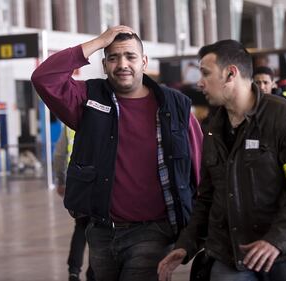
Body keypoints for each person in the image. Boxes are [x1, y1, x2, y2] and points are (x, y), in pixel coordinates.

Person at [31, 25, 203, 281]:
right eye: (113, 57)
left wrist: (195, 234)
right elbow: (44, 78)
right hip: (101, 231)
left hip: (154, 231)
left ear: (144, 62)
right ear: (104, 64)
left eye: (130, 56)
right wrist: (98, 41)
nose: (122, 64)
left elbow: (198, 170)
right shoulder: (88, 99)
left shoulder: (174, 106)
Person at [158, 40, 286, 281]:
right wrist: (186, 244)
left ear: (231, 73)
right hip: (230, 254)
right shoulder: (213, 129)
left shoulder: (282, 115)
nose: (199, 82)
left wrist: (275, 240)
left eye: (205, 73)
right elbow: (207, 198)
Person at [54, 127, 95, 281]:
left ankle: (73, 271)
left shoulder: (68, 124)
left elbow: (59, 155)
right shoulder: (103, 115)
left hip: (77, 182)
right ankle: (93, 272)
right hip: (98, 182)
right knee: (97, 229)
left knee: (81, 226)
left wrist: (60, 179)